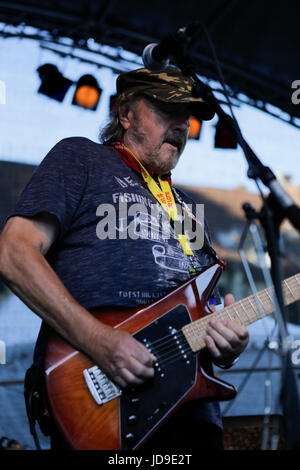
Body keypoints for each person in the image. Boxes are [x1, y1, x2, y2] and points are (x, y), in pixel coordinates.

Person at [0, 66, 249, 451]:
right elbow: (14, 253)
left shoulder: (187, 212)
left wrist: (226, 342)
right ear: (125, 113)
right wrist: (100, 342)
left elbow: (205, 311)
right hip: (101, 402)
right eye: (167, 110)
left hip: (192, 417)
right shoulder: (80, 158)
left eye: (187, 116)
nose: (182, 125)